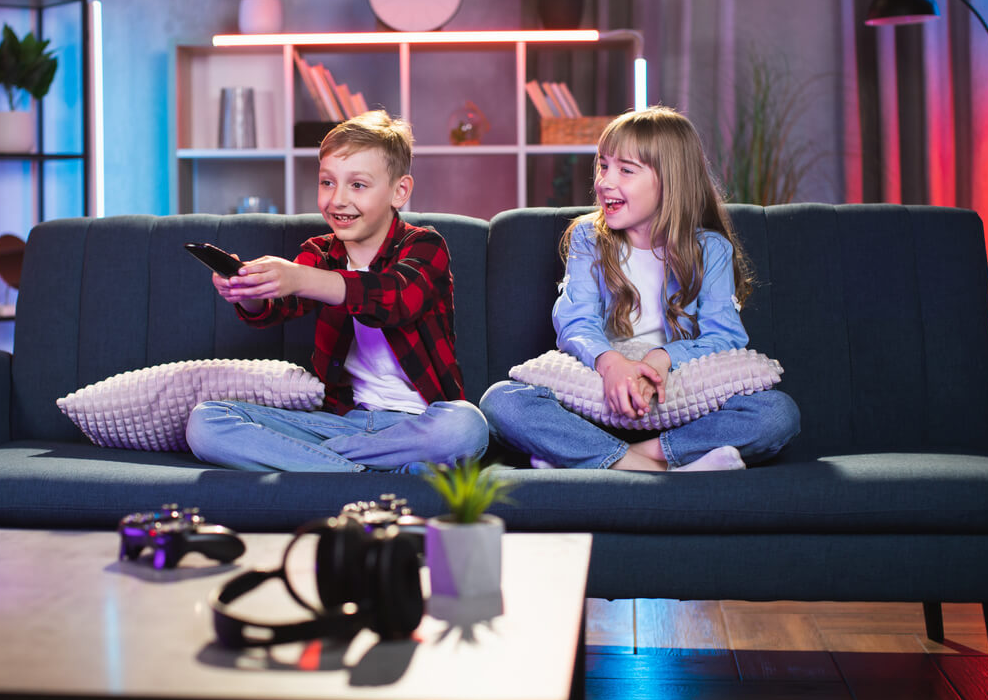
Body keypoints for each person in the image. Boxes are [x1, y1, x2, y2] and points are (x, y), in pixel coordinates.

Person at [480, 106, 799, 472]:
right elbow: (576, 322)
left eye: (625, 170)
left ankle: (620, 457)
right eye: (603, 166)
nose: (605, 182)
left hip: (679, 394)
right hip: (599, 394)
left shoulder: (711, 249)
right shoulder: (589, 238)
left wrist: (660, 359)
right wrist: (612, 363)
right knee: (502, 401)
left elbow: (724, 337)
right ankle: (658, 467)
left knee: (777, 413)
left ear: (670, 181)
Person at [186, 109, 489, 472]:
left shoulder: (425, 246)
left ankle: (322, 467)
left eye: (357, 185)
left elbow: (396, 298)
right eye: (327, 182)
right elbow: (278, 306)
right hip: (339, 422)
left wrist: (300, 277)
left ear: (399, 191)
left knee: (467, 426)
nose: (337, 199)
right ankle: (368, 471)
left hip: (419, 423)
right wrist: (249, 289)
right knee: (206, 422)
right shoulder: (320, 252)